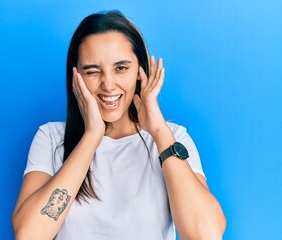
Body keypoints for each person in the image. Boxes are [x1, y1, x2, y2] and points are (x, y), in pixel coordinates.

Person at [12, 10, 226, 240]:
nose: (108, 84)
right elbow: (29, 235)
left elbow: (205, 234)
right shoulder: (51, 137)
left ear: (139, 71)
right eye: (93, 71)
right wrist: (92, 136)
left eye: (121, 68)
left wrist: (159, 131)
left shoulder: (173, 137)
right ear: (76, 77)